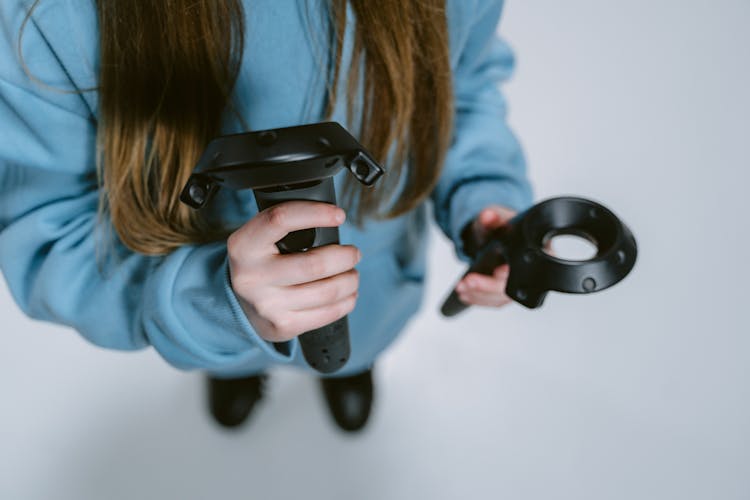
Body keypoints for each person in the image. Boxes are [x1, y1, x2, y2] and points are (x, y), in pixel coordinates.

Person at [0, 0, 533, 432]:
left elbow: (463, 86)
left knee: (354, 343)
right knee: (237, 347)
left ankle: (350, 367)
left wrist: (482, 196)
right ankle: (239, 369)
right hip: (216, 317)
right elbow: (49, 230)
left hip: (375, 284)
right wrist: (211, 306)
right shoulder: (50, 19)